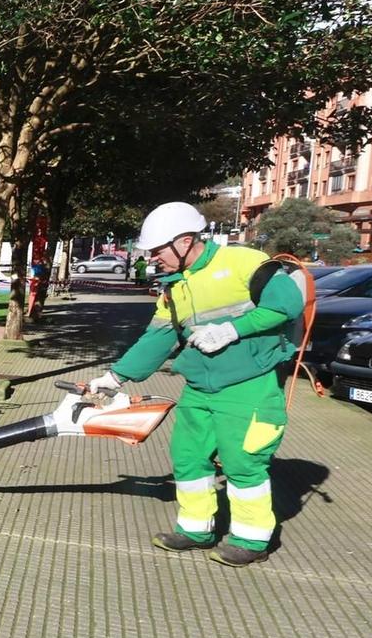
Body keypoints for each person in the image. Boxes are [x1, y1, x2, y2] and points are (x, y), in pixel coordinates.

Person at [87, 201, 304, 567]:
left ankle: (251, 540)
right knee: (188, 458)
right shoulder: (175, 286)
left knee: (243, 462)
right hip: (199, 387)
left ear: (186, 241)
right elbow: (158, 338)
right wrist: (114, 377)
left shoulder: (243, 262)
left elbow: (287, 305)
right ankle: (195, 529)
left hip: (249, 385)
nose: (153, 258)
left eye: (158, 250)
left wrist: (232, 329)